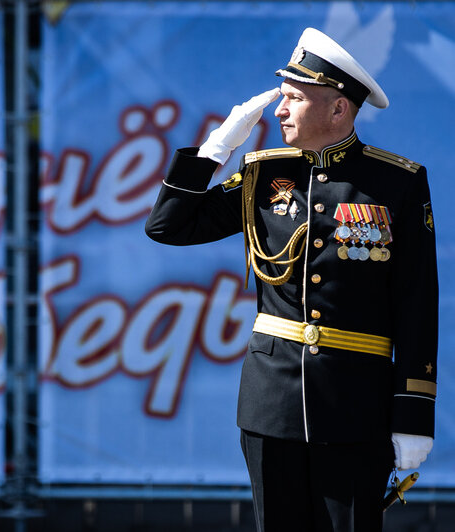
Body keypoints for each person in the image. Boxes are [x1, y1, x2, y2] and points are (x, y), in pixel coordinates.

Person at [145, 28, 438, 531]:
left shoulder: (398, 183)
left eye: (295, 99)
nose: (279, 110)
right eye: (282, 97)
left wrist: (412, 413)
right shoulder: (262, 175)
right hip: (270, 403)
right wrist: (216, 149)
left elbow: (417, 304)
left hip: (355, 406)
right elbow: (169, 227)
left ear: (339, 109)